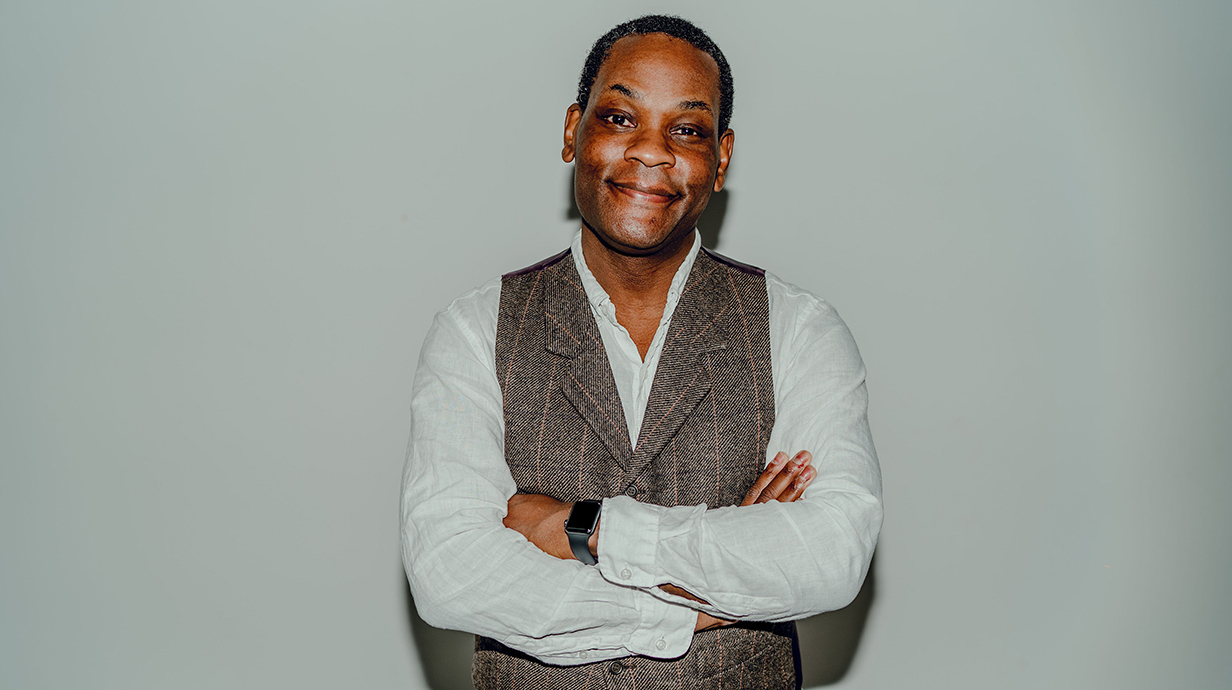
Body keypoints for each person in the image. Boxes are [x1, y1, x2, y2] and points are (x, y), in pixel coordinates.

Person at [401, 14, 882, 689]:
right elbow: (450, 574)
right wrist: (709, 592)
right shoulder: (473, 330)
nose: (651, 152)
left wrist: (586, 527)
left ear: (720, 157)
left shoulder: (799, 328)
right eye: (621, 118)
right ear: (574, 131)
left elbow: (829, 557)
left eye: (687, 130)